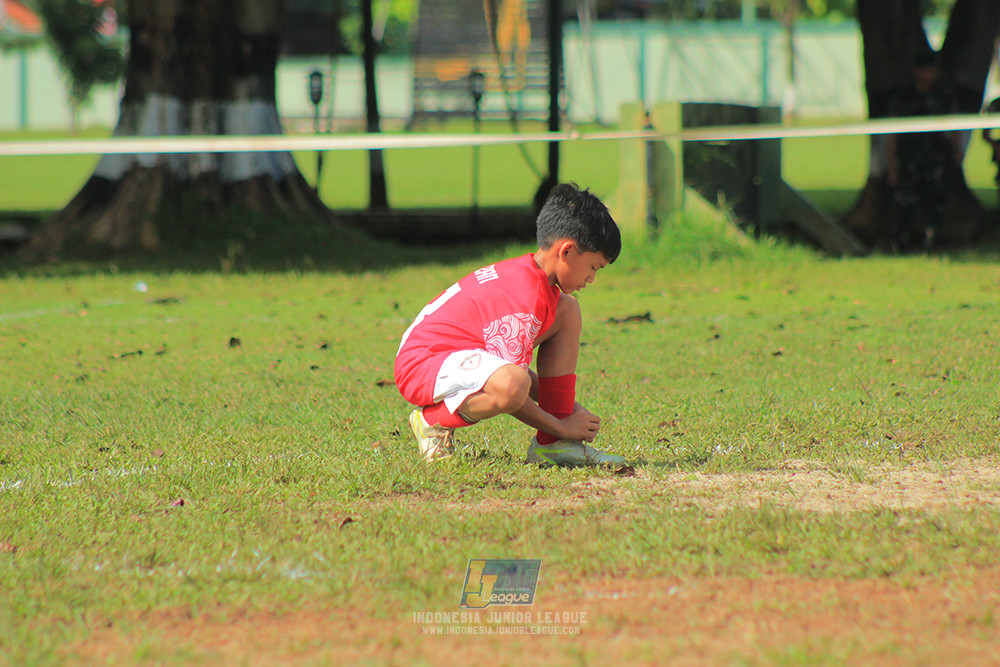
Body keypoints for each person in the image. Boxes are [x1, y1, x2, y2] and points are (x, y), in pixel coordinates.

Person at [394, 182, 626, 467]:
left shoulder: (535, 280)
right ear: (566, 251)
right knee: (513, 383)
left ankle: (552, 447)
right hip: (421, 363)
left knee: (567, 311)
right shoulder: (525, 301)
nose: (591, 279)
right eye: (594, 267)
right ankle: (432, 422)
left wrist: (567, 410)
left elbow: (518, 377)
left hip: (445, 355)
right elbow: (514, 390)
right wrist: (562, 425)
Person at [885, 51, 963, 251]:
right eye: (925, 70)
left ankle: (931, 241)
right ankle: (900, 243)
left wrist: (956, 151)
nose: (928, 75)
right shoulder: (903, 97)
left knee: (936, 200)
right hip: (909, 157)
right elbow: (892, 133)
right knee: (905, 202)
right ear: (915, 71)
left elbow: (955, 125)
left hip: (937, 158)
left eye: (932, 70)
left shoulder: (944, 95)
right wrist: (891, 164)